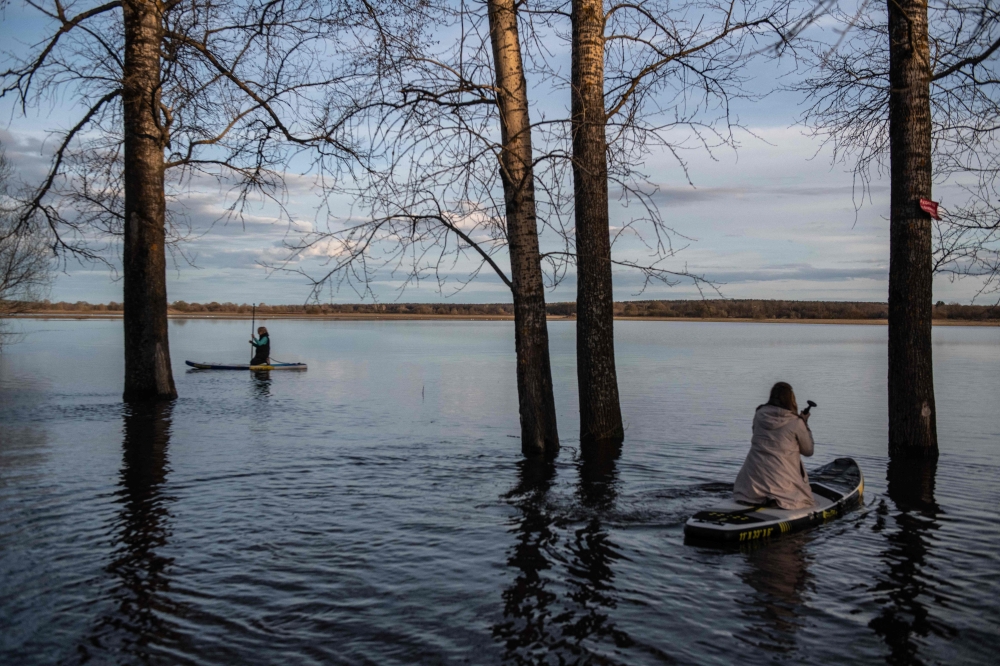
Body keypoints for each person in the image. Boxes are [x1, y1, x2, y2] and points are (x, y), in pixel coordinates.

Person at [733, 382, 815, 509]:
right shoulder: (796, 422)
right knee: (803, 500)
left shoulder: (759, 414)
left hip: (751, 483)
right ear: (791, 400)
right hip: (783, 485)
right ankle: (777, 497)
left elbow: (758, 434)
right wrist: (804, 424)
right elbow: (808, 451)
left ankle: (757, 496)